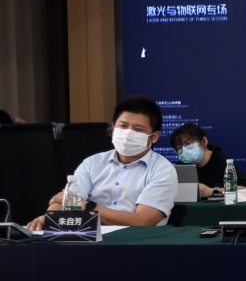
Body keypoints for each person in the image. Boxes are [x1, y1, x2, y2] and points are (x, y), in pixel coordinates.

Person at [26, 96, 177, 229]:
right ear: (113, 128)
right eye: (123, 126)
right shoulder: (93, 163)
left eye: (138, 129)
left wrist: (87, 206)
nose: (128, 133)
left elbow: (143, 221)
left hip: (136, 243)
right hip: (88, 238)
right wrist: (49, 218)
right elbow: (64, 201)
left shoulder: (163, 170)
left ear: (154, 137)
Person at [170, 122, 246, 198]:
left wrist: (212, 191)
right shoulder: (181, 166)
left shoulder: (222, 161)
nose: (184, 150)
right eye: (179, 147)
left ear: (204, 141)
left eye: (188, 143)